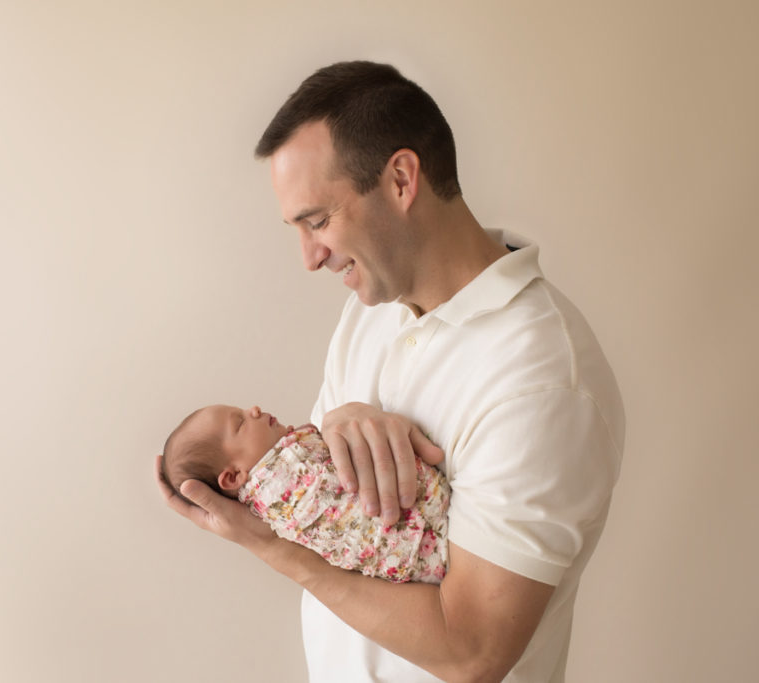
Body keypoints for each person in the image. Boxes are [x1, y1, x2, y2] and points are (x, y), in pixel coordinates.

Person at [155, 60, 624, 682]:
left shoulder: (541, 379)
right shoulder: (370, 314)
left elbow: (471, 652)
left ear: (401, 179)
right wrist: (340, 422)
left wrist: (269, 548)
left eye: (318, 221)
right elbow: (330, 516)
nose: (309, 257)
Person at [161, 404, 450, 584]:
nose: (255, 410)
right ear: (234, 476)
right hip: (423, 534)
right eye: (240, 423)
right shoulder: (283, 481)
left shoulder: (276, 497)